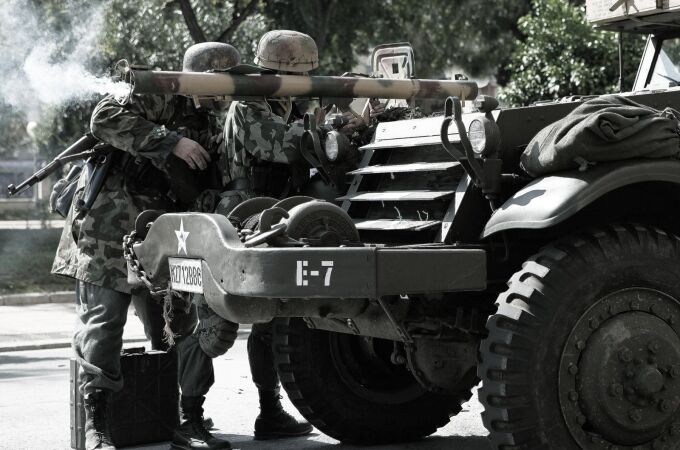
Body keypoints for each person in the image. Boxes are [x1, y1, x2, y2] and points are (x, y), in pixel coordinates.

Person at [51, 42, 239, 450]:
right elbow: (104, 117)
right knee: (104, 325)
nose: (222, 95)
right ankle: (96, 424)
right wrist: (169, 142)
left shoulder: (214, 118)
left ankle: (189, 418)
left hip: (165, 234)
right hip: (108, 226)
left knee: (178, 326)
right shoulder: (155, 87)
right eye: (216, 84)